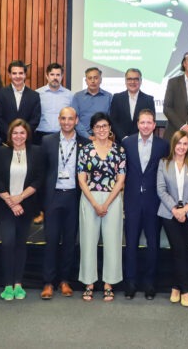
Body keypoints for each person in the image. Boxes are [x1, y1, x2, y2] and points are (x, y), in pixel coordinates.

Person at [0, 119, 44, 301]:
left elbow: (38, 179)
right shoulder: (1, 152)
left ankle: (18, 283)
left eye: (22, 132)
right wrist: (11, 202)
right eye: (15, 133)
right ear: (10, 135)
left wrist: (20, 199)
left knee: (21, 244)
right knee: (7, 243)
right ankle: (7, 285)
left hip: (26, 206)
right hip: (5, 206)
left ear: (27, 134)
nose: (18, 136)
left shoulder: (36, 152)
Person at [39, 107, 89, 300]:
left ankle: (65, 280)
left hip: (74, 197)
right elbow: (42, 173)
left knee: (69, 241)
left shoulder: (85, 144)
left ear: (76, 120)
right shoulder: (47, 141)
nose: (67, 122)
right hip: (53, 197)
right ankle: (48, 282)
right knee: (51, 240)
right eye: (63, 118)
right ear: (59, 120)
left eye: (70, 119)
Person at [77, 113, 127, 302]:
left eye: (105, 126)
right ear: (92, 129)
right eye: (98, 126)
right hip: (89, 198)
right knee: (88, 241)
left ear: (110, 128)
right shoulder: (85, 150)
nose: (101, 130)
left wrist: (105, 204)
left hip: (112, 199)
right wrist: (95, 203)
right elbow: (81, 179)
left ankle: (109, 283)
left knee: (113, 241)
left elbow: (121, 180)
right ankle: (89, 283)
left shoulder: (119, 150)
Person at [120, 109, 169, 300]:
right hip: (132, 200)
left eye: (149, 122)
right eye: (142, 122)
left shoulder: (163, 145)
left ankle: (150, 284)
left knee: (153, 244)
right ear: (138, 124)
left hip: (154, 201)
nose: (146, 126)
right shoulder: (127, 143)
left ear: (154, 125)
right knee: (131, 243)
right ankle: (130, 283)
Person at [156, 131, 188, 307]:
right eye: (179, 143)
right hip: (169, 214)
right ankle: (185, 290)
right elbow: (161, 189)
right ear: (173, 144)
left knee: (183, 251)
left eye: (185, 144)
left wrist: (185, 209)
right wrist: (175, 210)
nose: (181, 147)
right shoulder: (164, 163)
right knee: (178, 250)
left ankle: (175, 287)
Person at [0, 60, 42, 143]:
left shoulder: (34, 96)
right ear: (9, 75)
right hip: (4, 140)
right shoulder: (0, 94)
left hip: (26, 141)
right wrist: (11, 134)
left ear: (25, 75)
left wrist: (22, 134)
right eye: (14, 73)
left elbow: (35, 119)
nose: (18, 76)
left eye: (21, 73)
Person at [109, 68, 155, 144]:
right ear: (125, 81)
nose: (133, 82)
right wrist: (123, 137)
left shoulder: (149, 100)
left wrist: (138, 138)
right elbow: (113, 120)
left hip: (142, 142)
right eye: (129, 79)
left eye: (136, 79)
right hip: (121, 142)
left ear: (141, 81)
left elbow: (151, 122)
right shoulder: (117, 98)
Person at [35, 62, 73, 142]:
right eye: (52, 74)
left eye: (58, 75)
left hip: (62, 136)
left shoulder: (69, 95)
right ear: (47, 76)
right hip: (40, 135)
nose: (55, 77)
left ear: (62, 76)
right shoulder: (37, 94)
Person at [74, 67, 113, 139]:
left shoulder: (108, 97)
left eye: (96, 78)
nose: (93, 81)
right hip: (82, 137)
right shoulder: (77, 97)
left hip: (103, 137)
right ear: (86, 81)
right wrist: (87, 136)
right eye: (90, 78)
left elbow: (111, 119)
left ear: (100, 80)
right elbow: (75, 119)